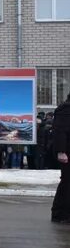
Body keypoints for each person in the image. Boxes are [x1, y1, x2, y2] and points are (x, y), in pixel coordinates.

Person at [51, 94, 70, 224]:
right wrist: (61, 151)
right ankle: (60, 214)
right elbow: (60, 132)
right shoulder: (65, 109)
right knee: (67, 182)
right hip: (67, 153)